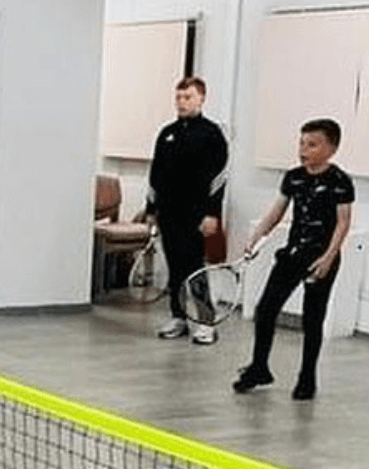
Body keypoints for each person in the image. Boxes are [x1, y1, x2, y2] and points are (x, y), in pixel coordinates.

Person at [231, 118, 353, 401]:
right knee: (266, 309)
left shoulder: (340, 182)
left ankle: (307, 378)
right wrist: (257, 235)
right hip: (292, 254)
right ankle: (259, 367)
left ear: (331, 148)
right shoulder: (293, 177)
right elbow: (277, 212)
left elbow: (343, 222)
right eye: (301, 143)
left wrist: (328, 257)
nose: (304, 150)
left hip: (320, 257)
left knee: (313, 320)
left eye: (312, 144)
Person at [146, 76, 229, 345]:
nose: (181, 102)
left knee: (194, 268)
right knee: (175, 268)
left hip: (196, 214)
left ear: (201, 98)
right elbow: (155, 174)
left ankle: (206, 321)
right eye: (179, 97)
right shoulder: (166, 133)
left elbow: (219, 178)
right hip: (169, 212)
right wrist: (151, 209)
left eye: (188, 97)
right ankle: (178, 317)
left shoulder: (212, 134)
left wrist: (212, 214)